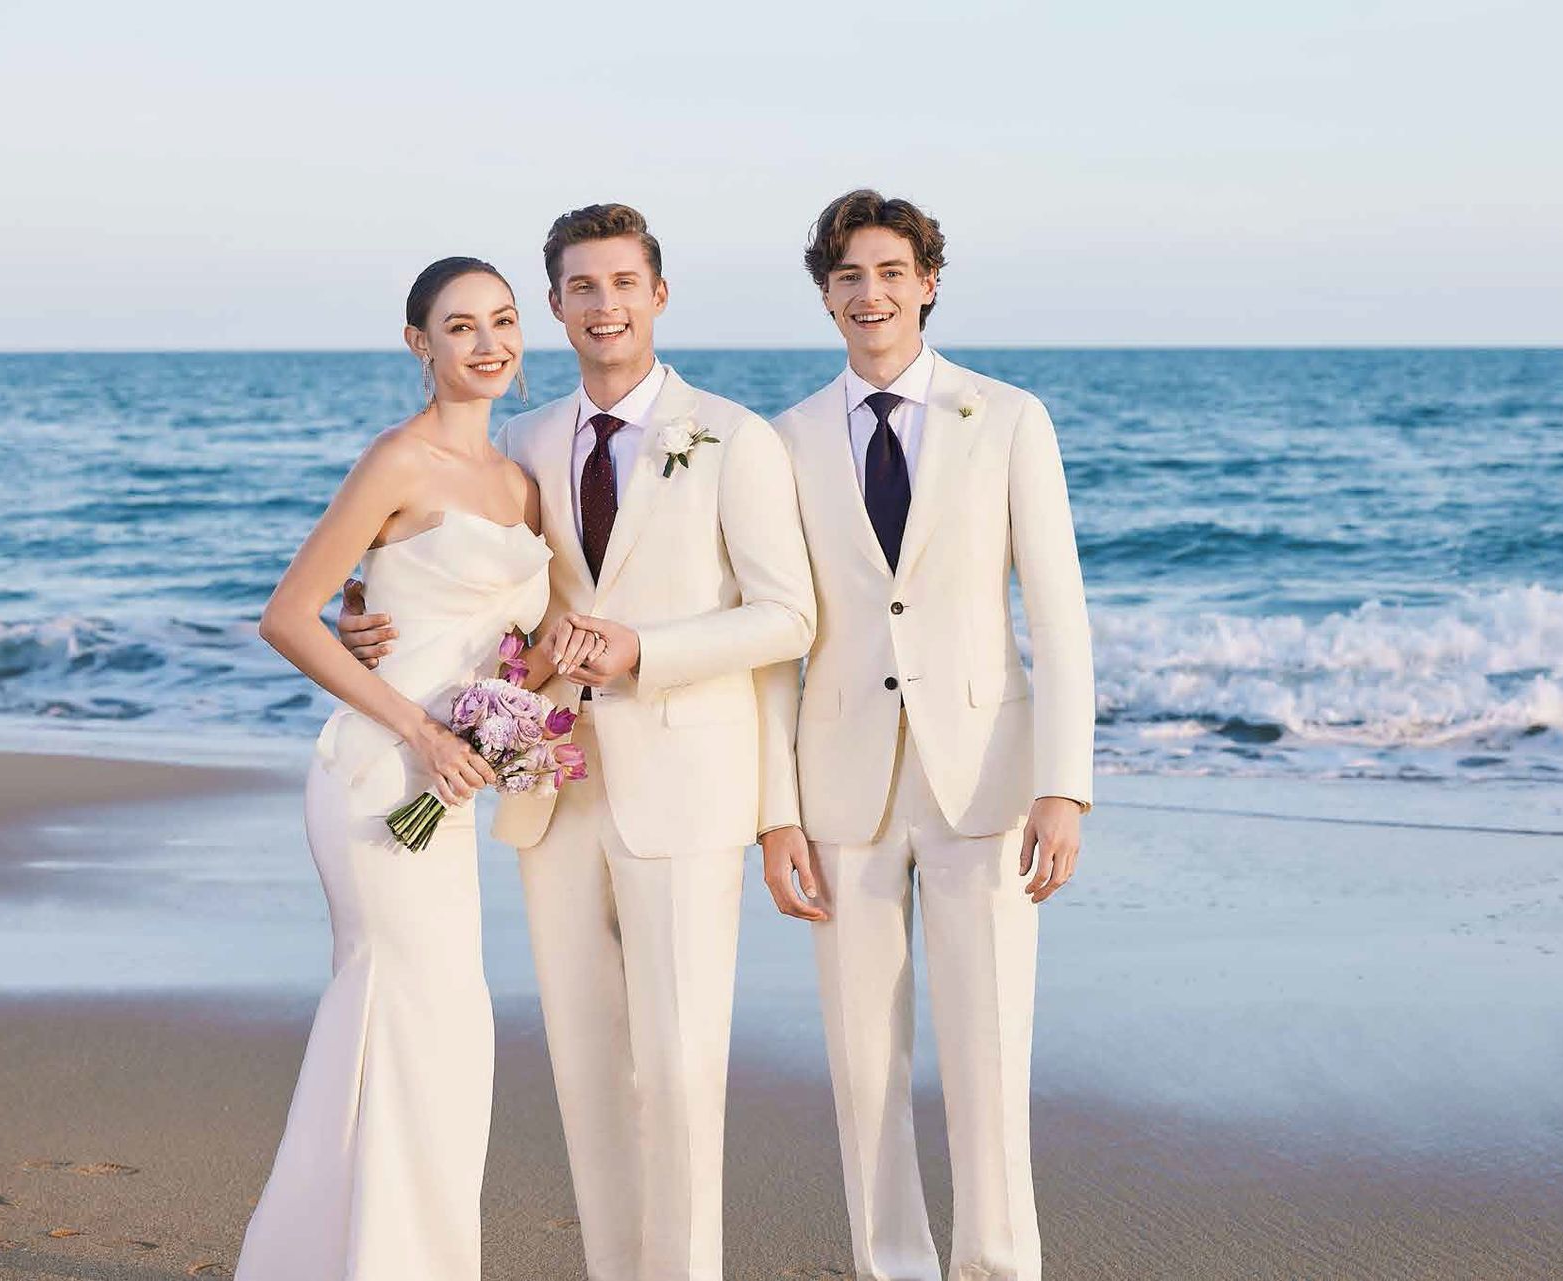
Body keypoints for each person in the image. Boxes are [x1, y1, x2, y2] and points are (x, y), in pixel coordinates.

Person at [339, 204, 816, 1281]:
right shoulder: (521, 441)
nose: (606, 306)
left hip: (688, 788)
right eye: (583, 288)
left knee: (682, 1070)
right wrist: (364, 610)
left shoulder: (734, 437)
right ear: (556, 305)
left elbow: (789, 618)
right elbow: (456, 582)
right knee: (586, 1072)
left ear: (659, 295)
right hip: (547, 787)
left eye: (624, 284)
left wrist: (644, 648)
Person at [757, 190, 1095, 1281]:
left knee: (991, 1049)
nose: (872, 294)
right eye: (849, 276)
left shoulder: (1009, 418)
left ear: (929, 282)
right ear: (826, 295)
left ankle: (998, 1267)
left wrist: (1065, 785)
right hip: (839, 787)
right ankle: (891, 1266)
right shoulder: (786, 440)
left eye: (892, 272)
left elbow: (1058, 614)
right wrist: (775, 813)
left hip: (985, 776)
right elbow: (776, 643)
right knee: (864, 1064)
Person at [238, 257, 555, 1281]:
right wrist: (419, 730)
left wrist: (519, 709)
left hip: (448, 792)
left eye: (503, 320)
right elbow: (290, 616)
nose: (488, 343)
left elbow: (509, 641)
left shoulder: (520, 482)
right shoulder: (397, 460)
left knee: (429, 1029)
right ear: (419, 343)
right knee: (420, 1020)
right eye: (460, 326)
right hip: (380, 776)